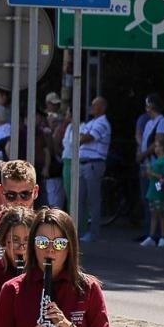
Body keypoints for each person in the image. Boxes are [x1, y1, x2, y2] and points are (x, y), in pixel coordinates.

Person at [71, 96, 111, 241]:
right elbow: (79, 136)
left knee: (93, 200)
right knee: (79, 199)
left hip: (94, 164)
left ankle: (93, 233)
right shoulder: (92, 122)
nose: (91, 107)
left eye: (95, 105)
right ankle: (78, 231)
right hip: (83, 164)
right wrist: (81, 136)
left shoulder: (103, 123)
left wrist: (81, 137)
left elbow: (85, 138)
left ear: (102, 107)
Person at [141, 132, 164, 247]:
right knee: (154, 214)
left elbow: (162, 177)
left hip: (158, 189)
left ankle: (163, 237)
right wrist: (149, 173)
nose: (155, 148)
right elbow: (152, 177)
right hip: (153, 189)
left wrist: (151, 172)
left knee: (161, 214)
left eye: (157, 146)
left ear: (163, 148)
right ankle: (151, 236)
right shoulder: (156, 160)